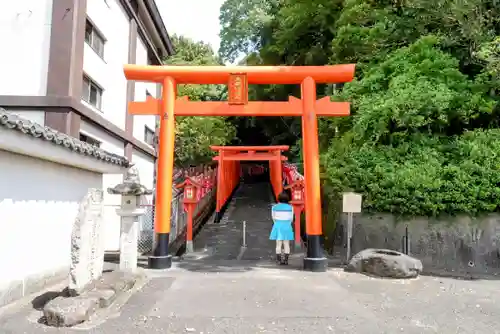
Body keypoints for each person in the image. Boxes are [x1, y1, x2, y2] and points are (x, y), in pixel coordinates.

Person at [269, 191, 294, 265]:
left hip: (278, 225)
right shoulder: (291, 207)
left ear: (279, 199)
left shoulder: (274, 207)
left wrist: (277, 223)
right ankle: (286, 260)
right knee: (286, 244)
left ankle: (279, 260)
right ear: (287, 199)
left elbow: (273, 218)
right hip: (287, 225)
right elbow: (291, 218)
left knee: (278, 244)